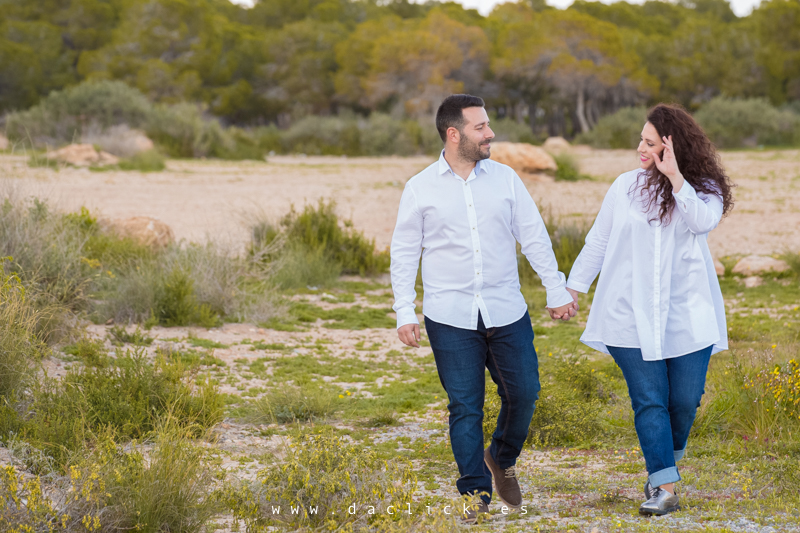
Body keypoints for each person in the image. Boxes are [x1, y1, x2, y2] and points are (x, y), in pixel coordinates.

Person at [390, 94, 578, 523]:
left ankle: (501, 457)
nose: (490, 133)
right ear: (453, 134)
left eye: (488, 124)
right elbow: (404, 254)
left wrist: (556, 288)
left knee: (525, 393)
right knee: (465, 406)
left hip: (506, 310)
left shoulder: (507, 179)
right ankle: (474, 492)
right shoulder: (420, 188)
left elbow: (533, 236)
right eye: (480, 127)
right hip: (450, 316)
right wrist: (405, 311)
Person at [565, 103, 734, 516]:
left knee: (686, 400)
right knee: (650, 400)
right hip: (628, 313)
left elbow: (701, 223)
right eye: (641, 139)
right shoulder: (624, 186)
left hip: (687, 315)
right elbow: (598, 242)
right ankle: (665, 486)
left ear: (674, 148)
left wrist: (675, 178)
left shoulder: (703, 189)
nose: (640, 148)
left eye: (651, 143)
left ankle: (663, 465)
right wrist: (571, 288)